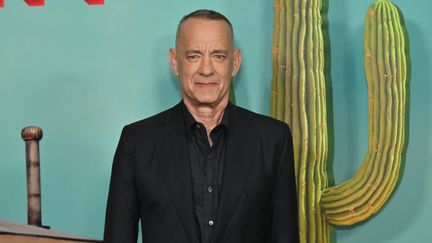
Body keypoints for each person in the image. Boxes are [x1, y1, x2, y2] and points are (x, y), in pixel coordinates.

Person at [103, 9, 299, 243]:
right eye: (194, 56)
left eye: (218, 56)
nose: (206, 70)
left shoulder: (273, 140)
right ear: (175, 62)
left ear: (234, 63)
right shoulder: (137, 142)